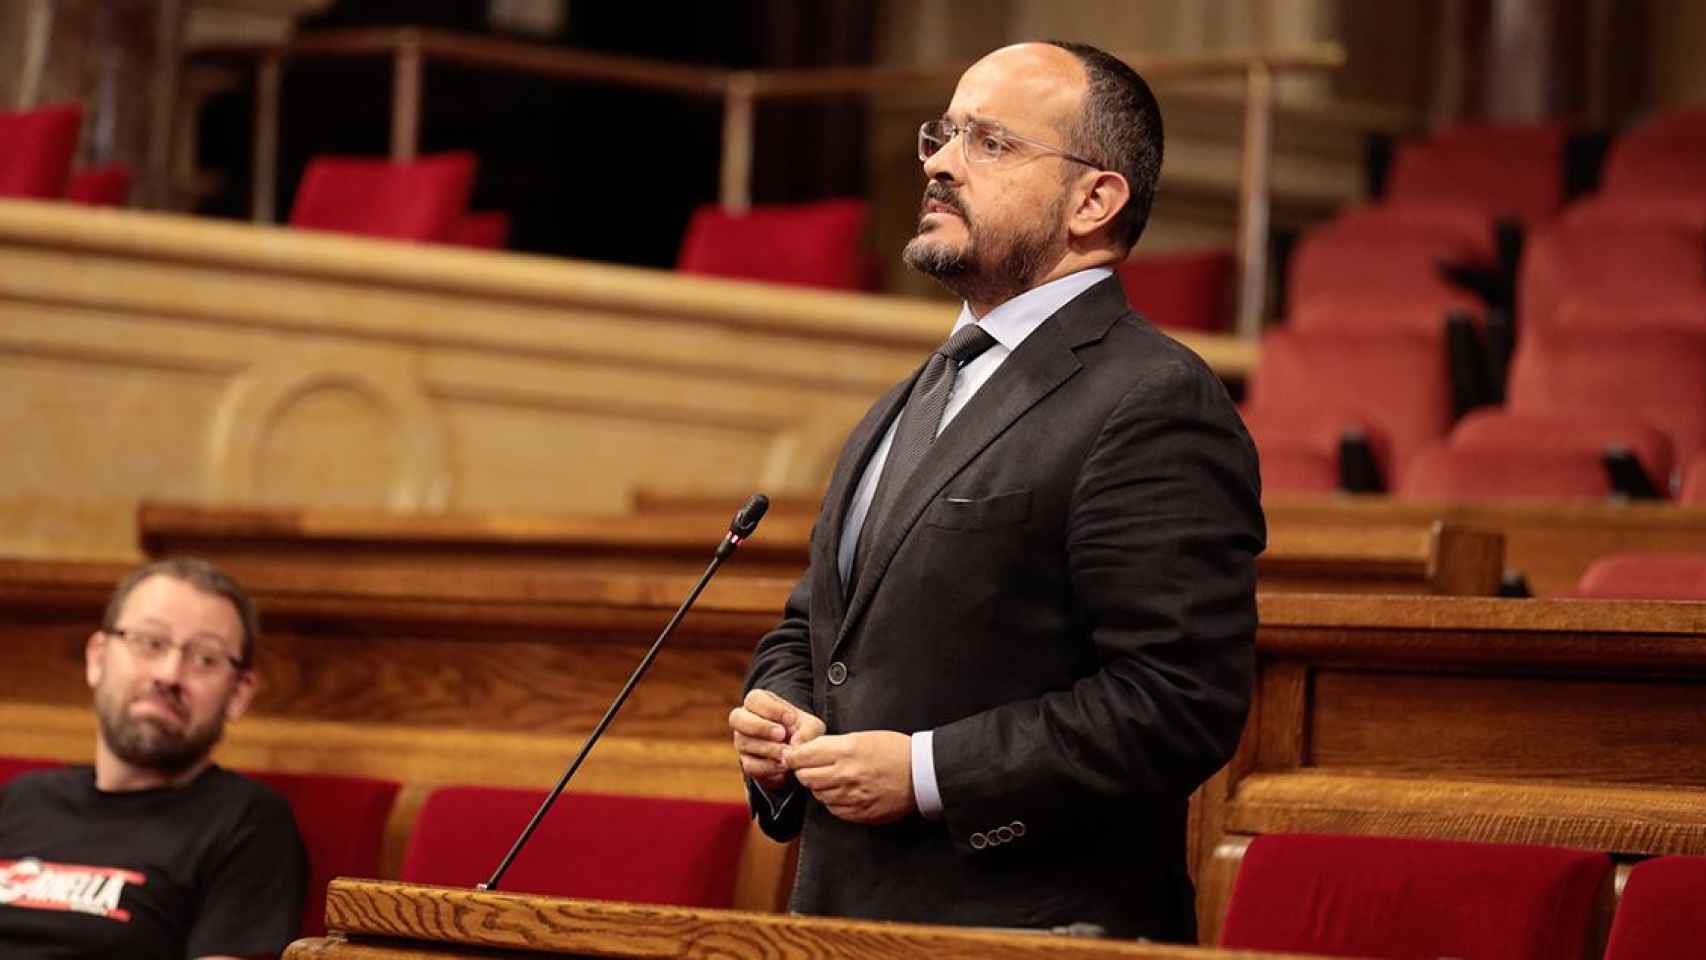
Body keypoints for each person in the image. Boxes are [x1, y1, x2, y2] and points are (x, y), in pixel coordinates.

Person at [728, 40, 1264, 941]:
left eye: (991, 144)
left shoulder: (1153, 399)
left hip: (1029, 930)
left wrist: (929, 774)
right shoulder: (914, 393)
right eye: (942, 135)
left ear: (1094, 200)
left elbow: (1177, 699)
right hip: (843, 919)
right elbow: (816, 625)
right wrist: (780, 721)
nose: (938, 162)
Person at [0, 557, 307, 959]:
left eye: (205, 659)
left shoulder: (247, 824)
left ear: (239, 694)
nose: (169, 674)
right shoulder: (19, 800)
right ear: (97, 658)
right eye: (150, 642)